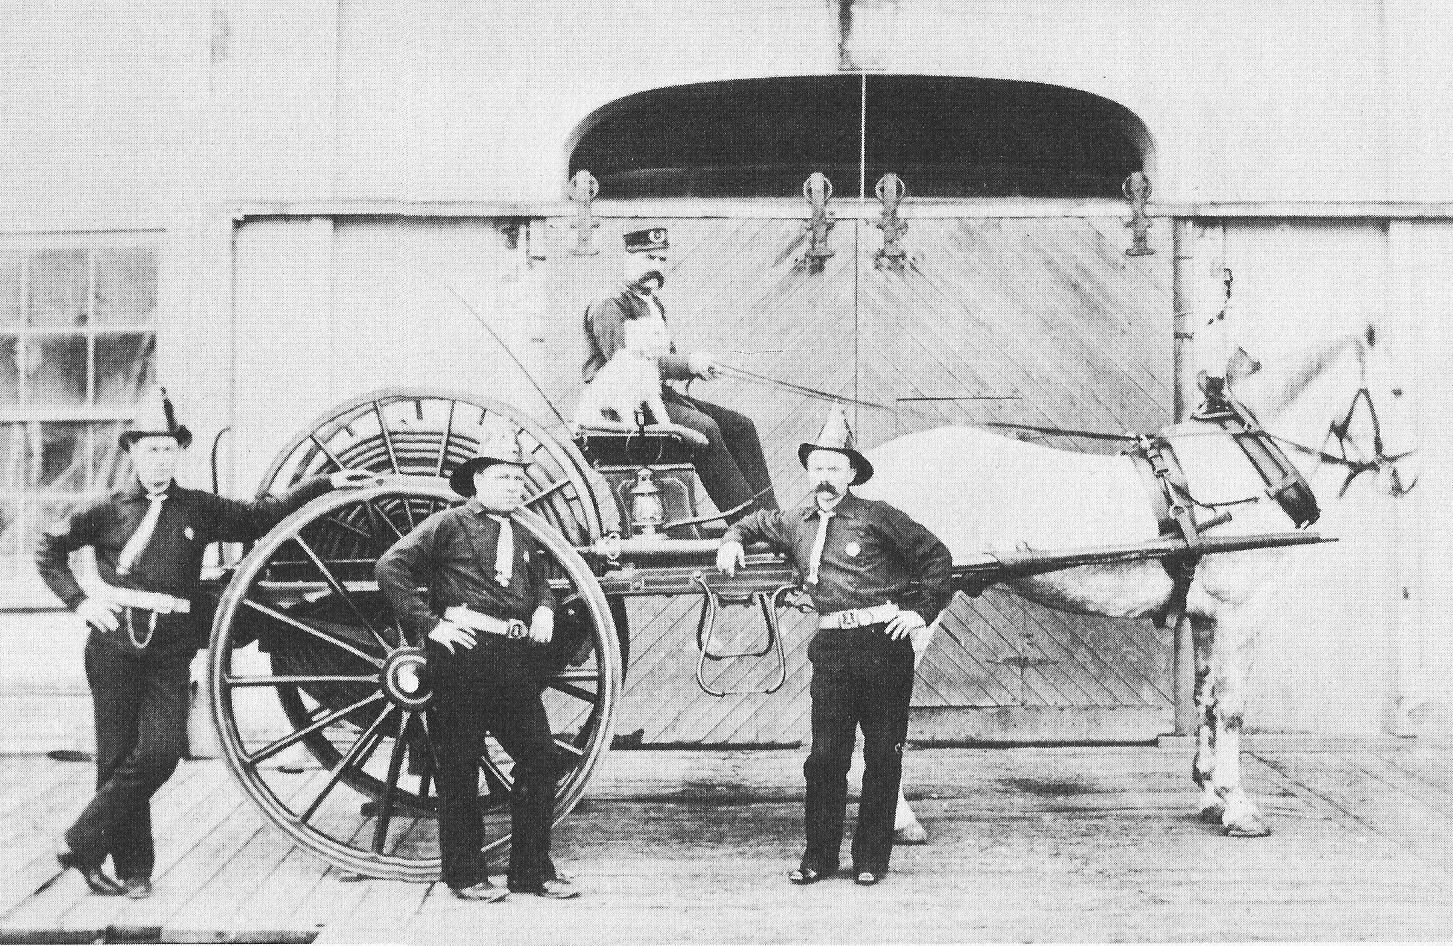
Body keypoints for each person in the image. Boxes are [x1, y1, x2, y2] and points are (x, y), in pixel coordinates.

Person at [36, 387, 376, 899]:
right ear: (131, 454)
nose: (160, 458)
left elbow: (263, 514)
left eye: (169, 449)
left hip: (171, 647)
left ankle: (81, 840)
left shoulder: (199, 508)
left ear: (177, 453)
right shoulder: (105, 513)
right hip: (112, 646)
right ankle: (132, 870)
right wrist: (80, 602)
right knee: (115, 757)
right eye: (150, 449)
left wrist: (324, 484)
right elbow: (48, 548)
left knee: (161, 753)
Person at [716, 408, 952, 887]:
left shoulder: (877, 515)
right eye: (818, 468)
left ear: (850, 474)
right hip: (833, 648)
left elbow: (936, 558)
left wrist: (920, 613)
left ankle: (870, 861)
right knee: (826, 757)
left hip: (883, 643)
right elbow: (756, 522)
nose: (825, 478)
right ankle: (818, 860)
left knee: (882, 755)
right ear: (809, 471)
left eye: (835, 469)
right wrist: (731, 538)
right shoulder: (794, 521)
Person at [375, 437, 577, 902]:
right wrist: (430, 626)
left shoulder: (524, 529)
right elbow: (390, 567)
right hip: (461, 658)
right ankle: (465, 876)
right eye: (504, 477)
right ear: (479, 480)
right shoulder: (447, 523)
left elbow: (539, 578)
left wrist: (544, 607)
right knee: (459, 768)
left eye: (519, 478)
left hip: (511, 659)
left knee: (539, 757)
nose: (515, 486)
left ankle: (531, 872)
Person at [582, 227, 778, 521]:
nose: (657, 267)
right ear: (626, 258)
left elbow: (663, 360)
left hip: (656, 397)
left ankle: (771, 519)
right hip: (620, 407)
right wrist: (688, 364)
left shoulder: (652, 303)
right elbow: (627, 366)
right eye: (649, 258)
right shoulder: (610, 305)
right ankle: (747, 524)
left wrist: (695, 370)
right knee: (705, 429)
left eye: (662, 260)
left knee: (741, 426)